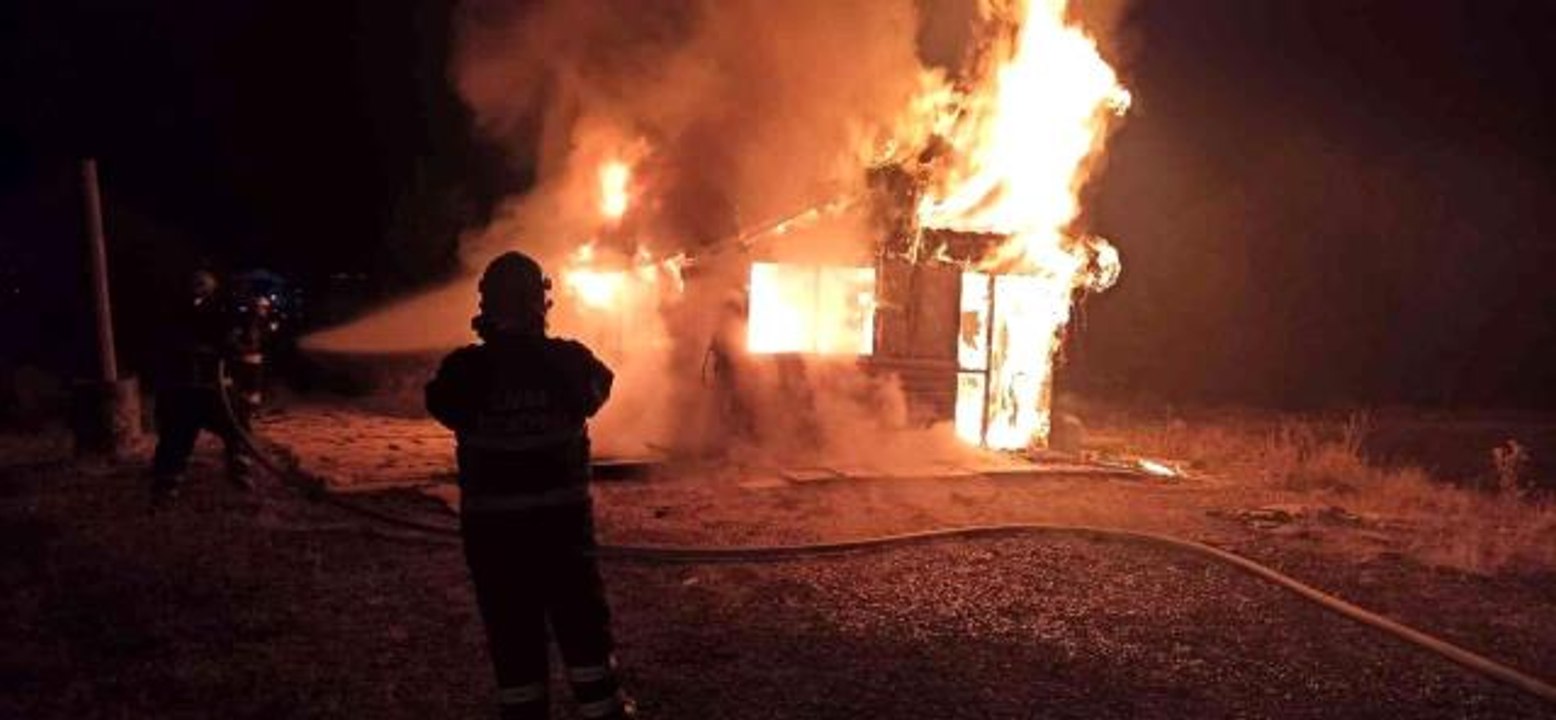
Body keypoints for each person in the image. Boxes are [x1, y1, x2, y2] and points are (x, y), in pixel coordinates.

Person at [426, 251, 633, 720]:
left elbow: (440, 405)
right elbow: (599, 389)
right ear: (542, 302)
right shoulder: (571, 363)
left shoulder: (463, 372)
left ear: (485, 304)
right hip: (564, 537)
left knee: (512, 638)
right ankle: (603, 710)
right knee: (583, 631)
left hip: (494, 542)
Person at [149, 269, 253, 506]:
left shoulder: (221, 312)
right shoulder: (172, 311)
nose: (198, 288)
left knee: (236, 427)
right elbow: (161, 343)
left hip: (213, 388)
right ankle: (166, 484)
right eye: (195, 283)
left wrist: (233, 342)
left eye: (202, 284)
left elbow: (233, 344)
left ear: (212, 289)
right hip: (182, 389)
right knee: (176, 436)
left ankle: (239, 469)